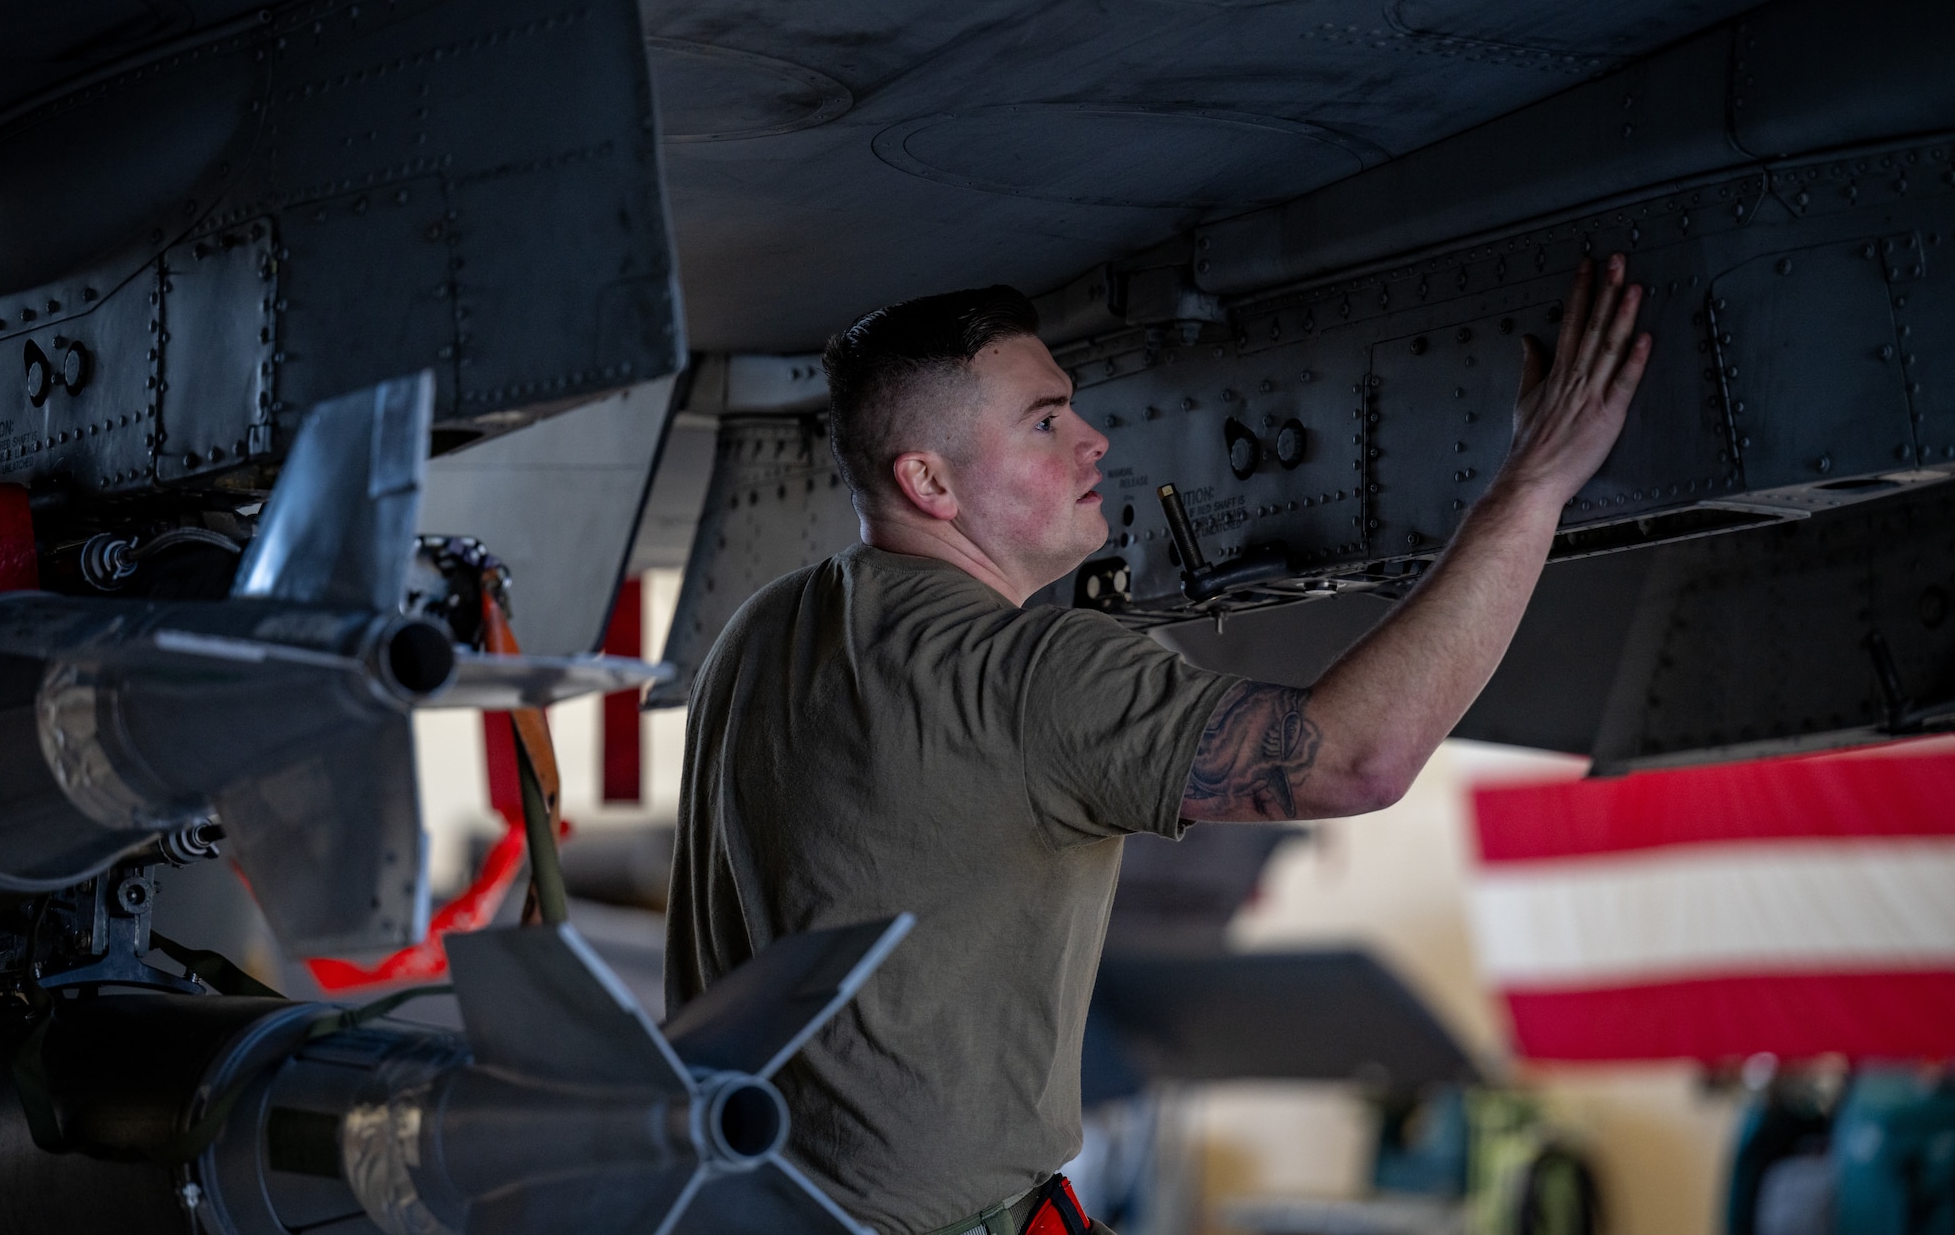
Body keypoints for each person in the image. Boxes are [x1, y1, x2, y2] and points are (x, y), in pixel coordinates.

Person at [666, 255, 1652, 1235]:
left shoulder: (759, 630)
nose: (1092, 440)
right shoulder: (1028, 674)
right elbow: (1357, 757)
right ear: (928, 479)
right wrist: (1532, 486)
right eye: (1044, 421)